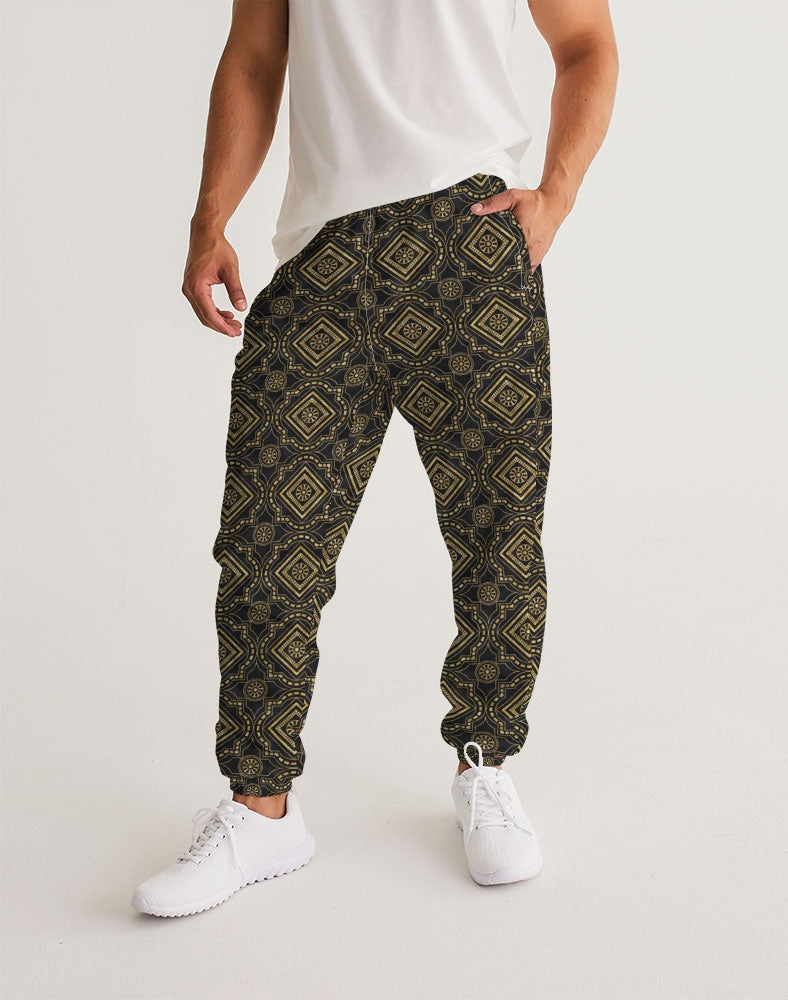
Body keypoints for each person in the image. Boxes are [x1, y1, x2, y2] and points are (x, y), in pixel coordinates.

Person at [131, 0, 618, 918]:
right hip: (323, 254)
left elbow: (587, 43)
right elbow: (254, 57)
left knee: (498, 534)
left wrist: (556, 195)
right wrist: (211, 218)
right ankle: (262, 810)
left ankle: (484, 762)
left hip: (471, 237)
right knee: (268, 544)